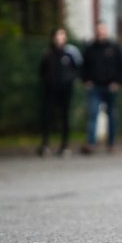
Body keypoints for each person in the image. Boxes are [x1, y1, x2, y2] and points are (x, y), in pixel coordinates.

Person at [81, 21, 122, 154]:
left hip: (110, 86)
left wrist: (118, 82)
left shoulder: (114, 48)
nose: (100, 33)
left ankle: (112, 143)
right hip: (95, 87)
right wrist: (86, 80)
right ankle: (91, 143)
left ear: (106, 31)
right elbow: (83, 67)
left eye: (102, 30)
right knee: (93, 113)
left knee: (111, 115)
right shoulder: (90, 48)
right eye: (98, 30)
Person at [38, 27, 81, 156]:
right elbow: (42, 71)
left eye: (62, 35)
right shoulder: (47, 53)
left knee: (65, 117)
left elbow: (77, 68)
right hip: (50, 89)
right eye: (57, 35)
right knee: (47, 116)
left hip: (66, 89)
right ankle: (45, 144)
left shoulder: (71, 53)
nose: (59, 38)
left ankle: (65, 145)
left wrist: (70, 80)